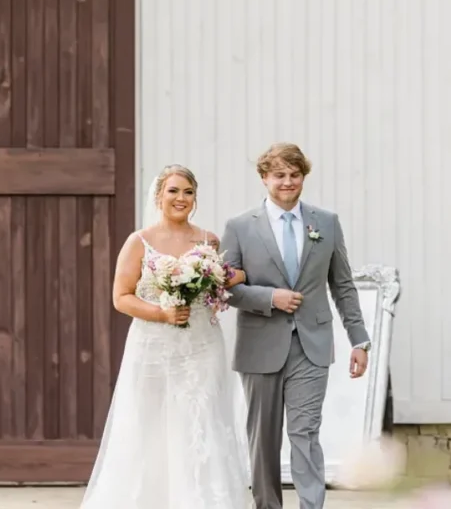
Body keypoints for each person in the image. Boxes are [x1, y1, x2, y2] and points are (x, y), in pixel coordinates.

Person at [80, 164, 253, 509]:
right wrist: (162, 312)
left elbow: (226, 279)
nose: (180, 198)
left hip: (202, 343)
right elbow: (121, 298)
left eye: (188, 192)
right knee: (149, 423)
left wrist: (222, 279)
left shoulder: (208, 241)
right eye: (173, 191)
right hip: (153, 346)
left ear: (196, 199)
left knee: (202, 420)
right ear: (159, 195)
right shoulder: (139, 242)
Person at [221, 142, 372, 509]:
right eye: (279, 175)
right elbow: (225, 290)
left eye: (295, 175)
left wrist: (359, 340)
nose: (288, 182)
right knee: (264, 439)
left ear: (303, 176)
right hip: (259, 344)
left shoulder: (326, 223)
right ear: (264, 178)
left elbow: (343, 285)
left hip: (312, 343)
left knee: (305, 432)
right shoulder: (239, 227)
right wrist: (269, 298)